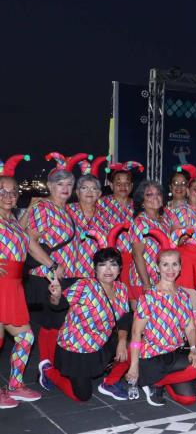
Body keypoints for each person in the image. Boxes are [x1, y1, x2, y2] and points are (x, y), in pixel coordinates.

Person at [39, 247, 131, 402]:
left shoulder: (122, 289)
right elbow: (58, 304)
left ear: (120, 268)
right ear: (95, 268)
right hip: (77, 348)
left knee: (136, 346)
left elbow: (124, 319)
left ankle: (110, 383)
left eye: (113, 264)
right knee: (82, 395)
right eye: (103, 264)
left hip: (102, 343)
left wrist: (122, 341)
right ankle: (49, 372)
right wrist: (55, 296)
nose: (108, 269)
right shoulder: (85, 286)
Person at [127, 249, 196, 406]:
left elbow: (189, 327)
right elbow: (136, 333)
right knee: (189, 391)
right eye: (165, 265)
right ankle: (151, 382)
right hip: (152, 357)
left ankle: (160, 383)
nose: (170, 270)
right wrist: (133, 366)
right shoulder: (149, 297)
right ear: (158, 268)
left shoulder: (184, 296)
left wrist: (194, 349)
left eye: (175, 264)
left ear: (180, 267)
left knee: (190, 394)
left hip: (174, 353)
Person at [0, 156, 44, 407]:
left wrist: (53, 268)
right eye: (2, 191)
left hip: (13, 287)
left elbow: (27, 244)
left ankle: (15, 384)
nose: (9, 196)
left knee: (26, 338)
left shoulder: (13, 221)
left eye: (13, 191)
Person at [23, 162, 76, 366]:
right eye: (60, 183)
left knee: (58, 321)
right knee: (51, 322)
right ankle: (46, 366)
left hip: (62, 274)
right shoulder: (45, 208)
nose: (65, 188)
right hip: (46, 276)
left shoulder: (66, 210)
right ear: (50, 186)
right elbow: (29, 241)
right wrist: (52, 265)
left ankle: (51, 365)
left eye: (69, 184)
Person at [129, 180, 173, 303]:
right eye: (149, 194)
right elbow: (137, 255)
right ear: (142, 201)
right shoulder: (140, 222)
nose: (155, 197)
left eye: (158, 193)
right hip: (144, 278)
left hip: (162, 277)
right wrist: (146, 283)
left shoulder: (165, 220)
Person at [98, 164, 137, 287]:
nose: (123, 186)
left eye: (127, 183)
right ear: (111, 185)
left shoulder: (138, 206)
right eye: (118, 183)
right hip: (110, 260)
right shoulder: (101, 203)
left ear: (131, 186)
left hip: (133, 260)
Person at [67, 173, 107, 279]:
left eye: (94, 189)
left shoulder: (105, 215)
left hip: (96, 272)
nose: (89, 192)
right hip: (69, 270)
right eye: (84, 188)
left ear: (99, 193)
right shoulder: (66, 211)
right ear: (77, 192)